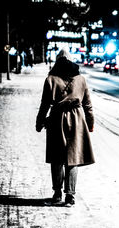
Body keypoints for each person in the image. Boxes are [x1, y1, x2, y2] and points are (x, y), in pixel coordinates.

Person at [36, 49, 95, 207]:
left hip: (56, 119)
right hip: (77, 120)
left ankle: (57, 194)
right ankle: (70, 196)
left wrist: (40, 122)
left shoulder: (50, 79)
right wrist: (90, 123)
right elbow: (87, 104)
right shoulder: (81, 79)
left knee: (57, 159)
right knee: (72, 159)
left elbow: (45, 104)